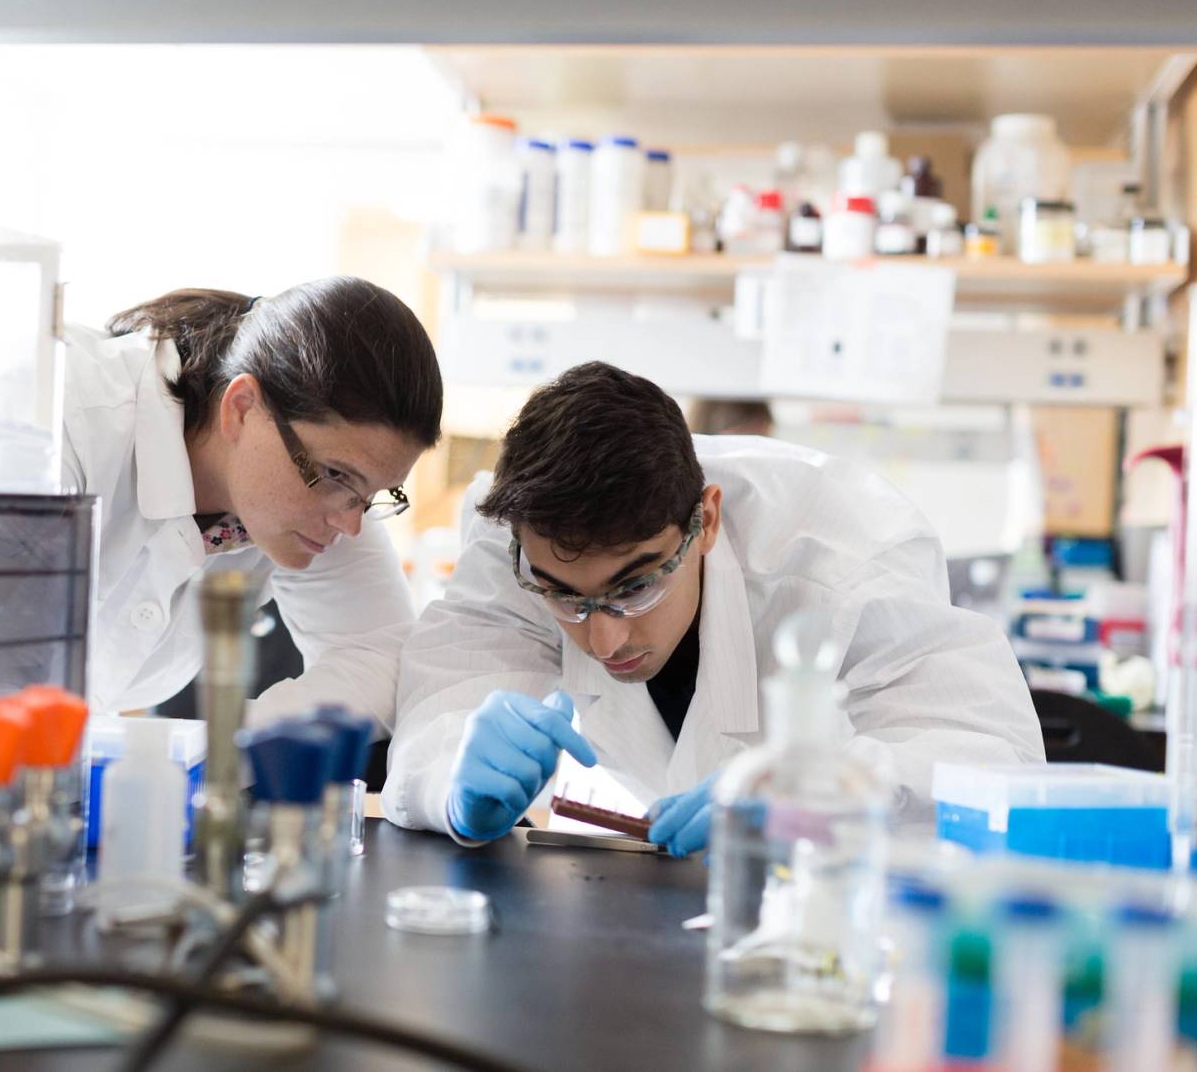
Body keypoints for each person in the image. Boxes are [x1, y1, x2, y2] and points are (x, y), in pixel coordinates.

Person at [383, 362, 1040, 854]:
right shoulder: (517, 539)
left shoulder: (845, 548)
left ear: (706, 518)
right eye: (564, 596)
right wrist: (453, 780)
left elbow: (993, 762)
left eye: (636, 586)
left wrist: (826, 786)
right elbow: (443, 707)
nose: (606, 639)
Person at [60, 277, 443, 730]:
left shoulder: (324, 495)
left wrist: (225, 752)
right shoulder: (69, 421)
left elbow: (377, 657)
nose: (350, 525)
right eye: (336, 475)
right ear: (241, 407)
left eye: (375, 494)